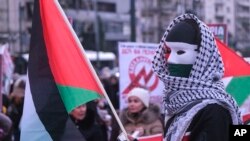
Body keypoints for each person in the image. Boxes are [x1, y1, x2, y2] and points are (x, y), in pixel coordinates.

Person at [152, 13, 242, 141]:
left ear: (202, 57)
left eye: (180, 51)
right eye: (168, 51)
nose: (170, 60)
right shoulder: (177, 102)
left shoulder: (214, 111)